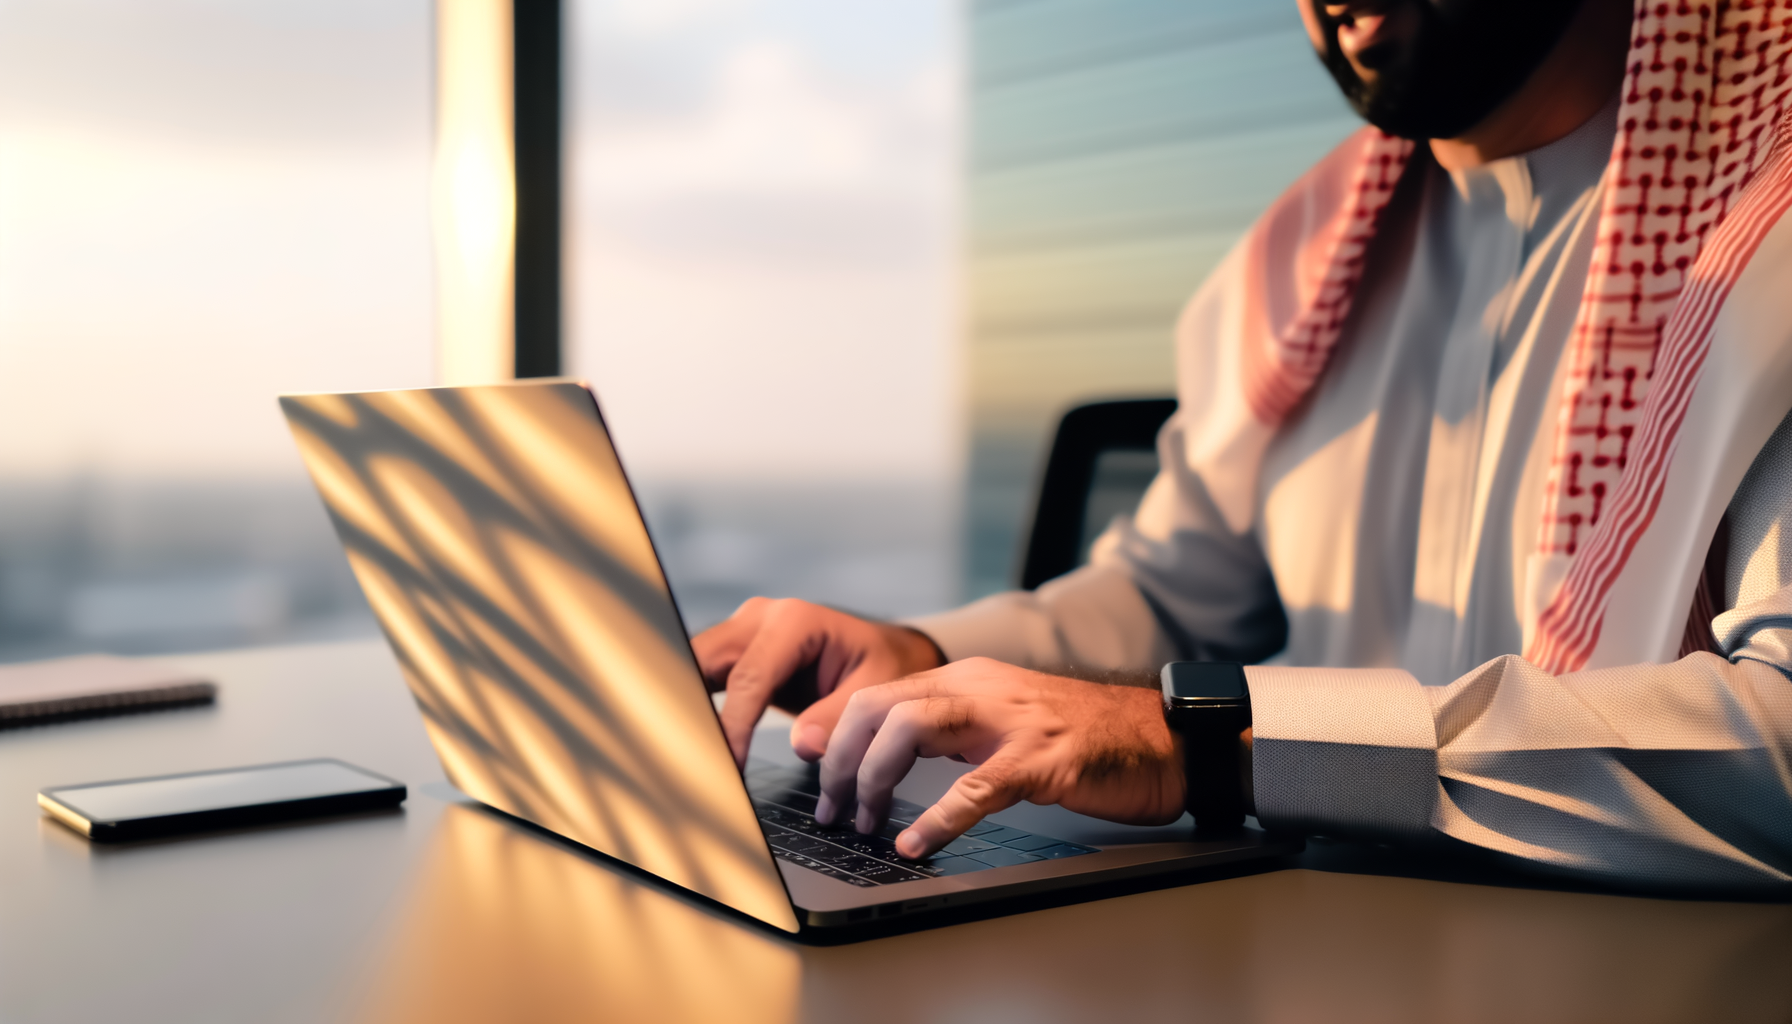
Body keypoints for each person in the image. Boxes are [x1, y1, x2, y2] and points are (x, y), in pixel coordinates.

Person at [695, 0, 1792, 890]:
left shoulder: (1769, 212)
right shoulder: (1304, 251)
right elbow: (1171, 596)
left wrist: (1213, 745)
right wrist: (917, 656)